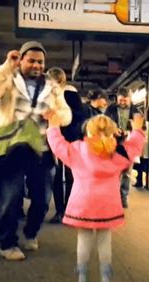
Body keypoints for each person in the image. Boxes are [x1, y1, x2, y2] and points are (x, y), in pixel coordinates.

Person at [0, 41, 72, 260]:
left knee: (42, 199)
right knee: (11, 198)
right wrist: (5, 67)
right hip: (11, 149)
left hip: (41, 151)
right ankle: (7, 244)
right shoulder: (8, 80)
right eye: (31, 60)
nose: (36, 65)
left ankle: (31, 233)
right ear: (20, 60)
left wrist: (55, 116)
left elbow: (67, 114)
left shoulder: (53, 86)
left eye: (40, 62)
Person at [46, 113, 145, 282]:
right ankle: (105, 278)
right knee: (104, 240)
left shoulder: (77, 149)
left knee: (83, 239)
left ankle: (82, 277)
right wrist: (137, 129)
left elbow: (58, 146)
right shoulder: (119, 152)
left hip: (83, 203)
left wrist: (53, 126)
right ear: (113, 132)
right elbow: (135, 146)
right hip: (108, 205)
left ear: (88, 130)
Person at [47, 67, 84, 224]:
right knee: (59, 176)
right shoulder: (48, 94)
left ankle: (67, 210)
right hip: (58, 139)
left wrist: (61, 119)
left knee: (68, 176)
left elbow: (78, 116)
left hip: (67, 140)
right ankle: (60, 210)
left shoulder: (71, 93)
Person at [104, 87, 142, 208]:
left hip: (129, 146)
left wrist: (130, 131)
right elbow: (104, 123)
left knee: (127, 173)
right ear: (117, 98)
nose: (122, 103)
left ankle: (123, 197)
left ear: (130, 99)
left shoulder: (137, 112)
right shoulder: (110, 109)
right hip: (113, 144)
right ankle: (111, 196)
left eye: (125, 100)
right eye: (120, 100)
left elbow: (141, 129)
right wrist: (113, 130)